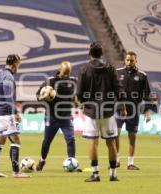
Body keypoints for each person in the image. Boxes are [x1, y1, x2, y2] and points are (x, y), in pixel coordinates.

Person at [77, 42, 125, 182]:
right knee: (111, 142)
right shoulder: (110, 68)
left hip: (92, 112)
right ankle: (113, 174)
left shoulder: (84, 69)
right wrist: (121, 105)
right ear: (102, 53)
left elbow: (79, 92)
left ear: (90, 54)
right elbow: (119, 89)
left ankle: (95, 174)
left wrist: (82, 102)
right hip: (108, 111)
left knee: (93, 142)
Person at [0, 54, 29, 178]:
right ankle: (16, 171)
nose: (18, 67)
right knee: (16, 140)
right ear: (15, 64)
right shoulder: (8, 76)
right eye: (18, 65)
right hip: (7, 112)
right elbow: (8, 96)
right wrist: (15, 112)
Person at [35, 61, 78, 171]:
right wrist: (43, 97)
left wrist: (76, 100)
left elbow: (76, 97)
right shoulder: (50, 81)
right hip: (51, 117)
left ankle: (72, 162)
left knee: (71, 139)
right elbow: (37, 95)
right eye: (65, 73)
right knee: (47, 141)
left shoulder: (73, 81)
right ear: (60, 69)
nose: (66, 75)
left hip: (66, 117)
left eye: (68, 73)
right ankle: (42, 160)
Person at [115, 51, 151, 170]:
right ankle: (116, 159)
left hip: (134, 110)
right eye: (128, 60)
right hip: (118, 109)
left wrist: (147, 111)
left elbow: (147, 95)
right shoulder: (117, 73)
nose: (129, 62)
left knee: (132, 137)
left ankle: (130, 163)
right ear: (125, 60)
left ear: (136, 61)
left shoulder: (142, 75)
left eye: (132, 60)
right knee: (116, 135)